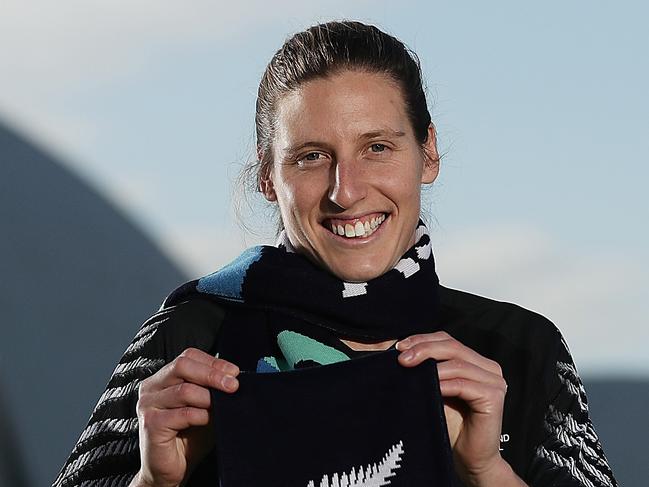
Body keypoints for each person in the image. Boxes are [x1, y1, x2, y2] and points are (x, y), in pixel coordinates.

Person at [53, 20, 617, 487]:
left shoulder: (517, 349)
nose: (345, 191)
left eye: (377, 147)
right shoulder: (189, 340)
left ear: (428, 154)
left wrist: (486, 468)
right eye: (310, 157)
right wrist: (154, 482)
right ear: (268, 177)